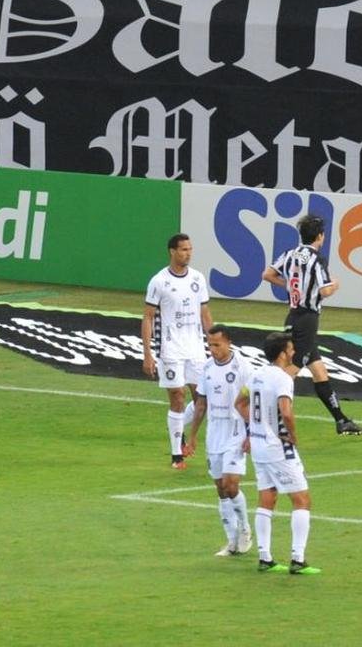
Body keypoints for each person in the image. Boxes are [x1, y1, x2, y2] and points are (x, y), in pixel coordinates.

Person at [261, 214, 362, 436]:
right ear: (320, 236)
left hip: (293, 315)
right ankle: (264, 410)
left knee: (319, 371)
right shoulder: (317, 259)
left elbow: (267, 274)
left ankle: (341, 420)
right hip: (308, 320)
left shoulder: (289, 254)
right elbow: (325, 290)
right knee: (293, 369)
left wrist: (289, 286)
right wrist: (335, 285)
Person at [235, 332, 320, 575]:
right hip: (278, 448)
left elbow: (239, 403)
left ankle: (265, 557)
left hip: (259, 447)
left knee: (267, 498)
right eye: (291, 349)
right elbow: (286, 411)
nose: (293, 352)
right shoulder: (283, 379)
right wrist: (292, 436)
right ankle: (298, 559)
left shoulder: (257, 375)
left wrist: (255, 428)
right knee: (301, 500)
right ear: (283, 353)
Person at [141, 233, 213, 470]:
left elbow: (205, 313)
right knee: (177, 397)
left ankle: (180, 430)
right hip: (170, 348)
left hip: (195, 348)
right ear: (172, 251)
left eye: (190, 249)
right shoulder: (159, 281)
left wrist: (214, 344)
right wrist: (148, 354)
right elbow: (148, 318)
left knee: (203, 398)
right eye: (183, 250)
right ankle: (176, 455)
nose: (188, 253)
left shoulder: (198, 279)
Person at [186, 325, 253, 556]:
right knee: (220, 489)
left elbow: (253, 402)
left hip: (236, 429)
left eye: (217, 345)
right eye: (210, 345)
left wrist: (251, 433)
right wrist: (193, 437)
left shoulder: (243, 366)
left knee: (230, 484)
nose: (212, 349)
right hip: (214, 432)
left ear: (228, 343)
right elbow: (201, 404)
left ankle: (245, 529)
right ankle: (231, 541)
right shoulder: (206, 368)